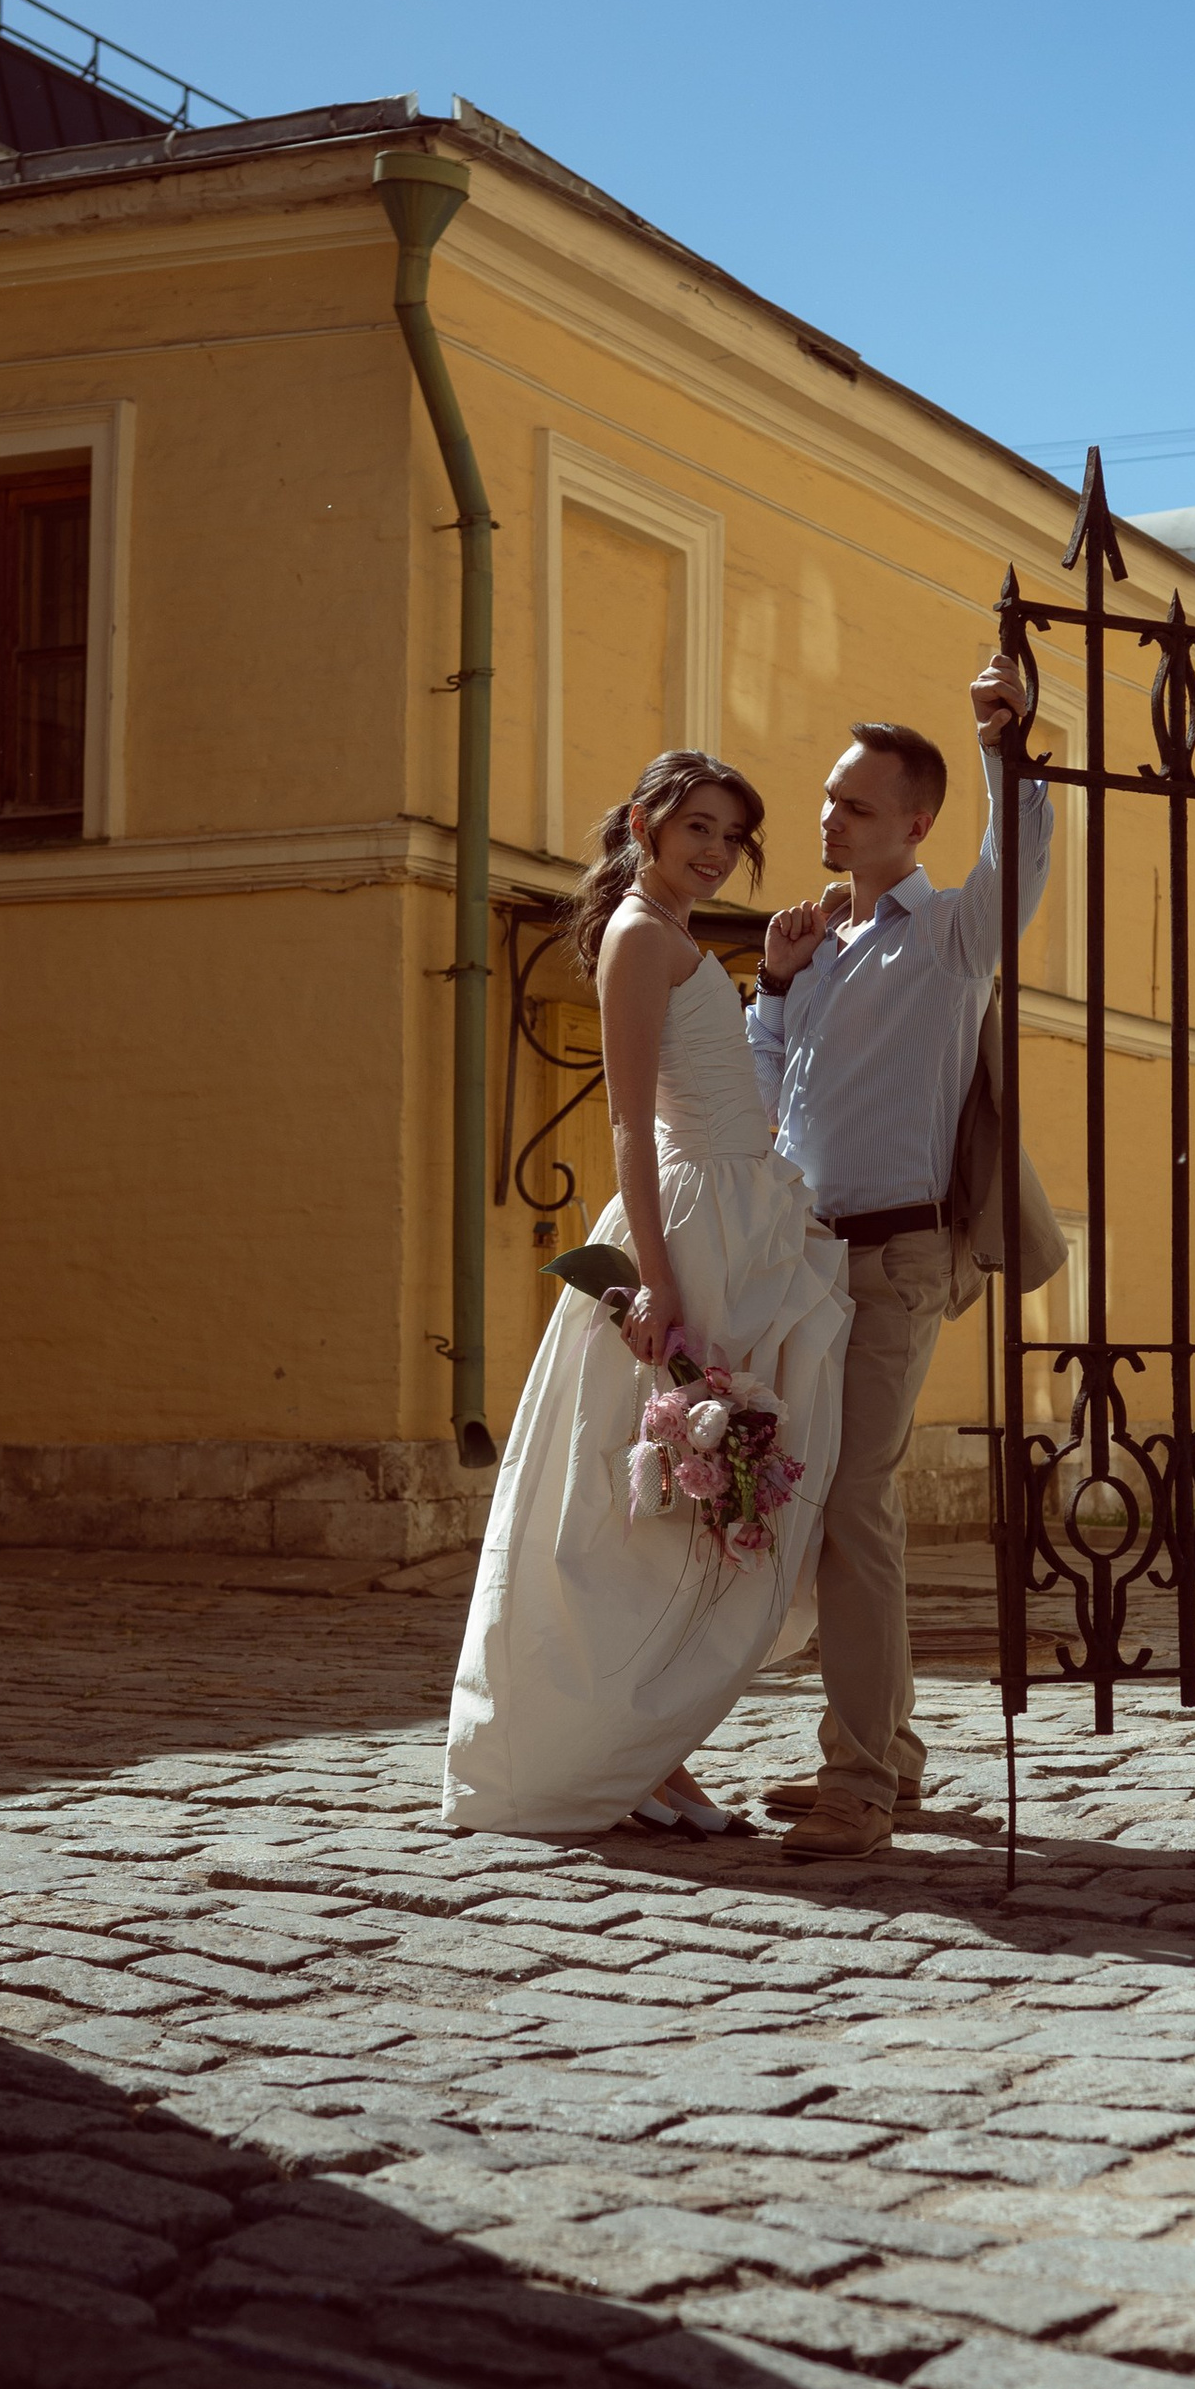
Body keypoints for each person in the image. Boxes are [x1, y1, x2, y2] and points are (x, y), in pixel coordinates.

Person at [441, 753, 850, 1840]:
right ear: (644, 822)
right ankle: (611, 1753)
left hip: (738, 1218)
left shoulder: (672, 936)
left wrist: (776, 980)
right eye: (698, 827)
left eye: (733, 836)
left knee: (708, 1510)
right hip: (689, 1230)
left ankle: (649, 1748)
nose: (715, 851)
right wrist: (655, 1286)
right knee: (652, 1511)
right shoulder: (635, 932)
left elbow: (720, 1085)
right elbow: (628, 1122)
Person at [745, 659, 1051, 1859]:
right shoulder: (820, 945)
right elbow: (780, 1110)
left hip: (902, 1255)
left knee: (854, 1505)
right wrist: (770, 988)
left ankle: (861, 1777)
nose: (829, 819)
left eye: (857, 805)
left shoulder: (949, 935)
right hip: (813, 1257)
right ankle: (892, 1754)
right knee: (827, 1505)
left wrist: (1005, 746)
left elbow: (1017, 854)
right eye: (828, 797)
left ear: (915, 824)